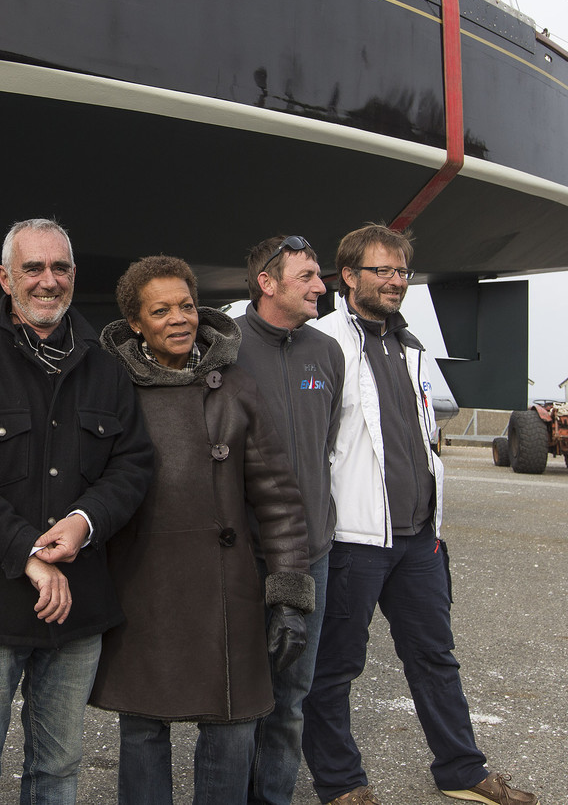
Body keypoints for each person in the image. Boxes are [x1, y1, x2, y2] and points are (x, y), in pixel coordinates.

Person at [303, 224, 537, 805]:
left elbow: (425, 435)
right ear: (348, 276)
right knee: (335, 667)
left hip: (419, 539)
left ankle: (461, 768)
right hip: (356, 538)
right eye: (381, 271)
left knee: (435, 658)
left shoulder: (411, 348)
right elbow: (307, 443)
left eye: (402, 272)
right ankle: (340, 783)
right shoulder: (322, 341)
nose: (395, 281)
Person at [0, 218, 155, 805]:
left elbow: (132, 467)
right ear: (6, 278)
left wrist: (83, 523)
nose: (47, 281)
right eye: (33, 268)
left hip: (77, 609)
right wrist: (28, 550)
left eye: (59, 268)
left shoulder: (109, 371)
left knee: (58, 771)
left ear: (74, 277)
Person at [91, 254, 315, 805]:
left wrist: (288, 594)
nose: (179, 318)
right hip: (141, 587)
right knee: (143, 729)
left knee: (232, 728)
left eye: (187, 305)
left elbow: (279, 498)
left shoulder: (236, 386)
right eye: (160, 309)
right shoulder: (110, 390)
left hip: (227, 588)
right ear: (136, 323)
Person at [234, 235, 343, 805]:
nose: (321, 287)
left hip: (310, 554)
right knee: (240, 693)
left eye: (318, 276)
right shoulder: (226, 348)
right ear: (268, 283)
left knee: (292, 694)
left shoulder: (327, 352)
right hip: (244, 552)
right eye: (307, 277)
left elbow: (326, 445)